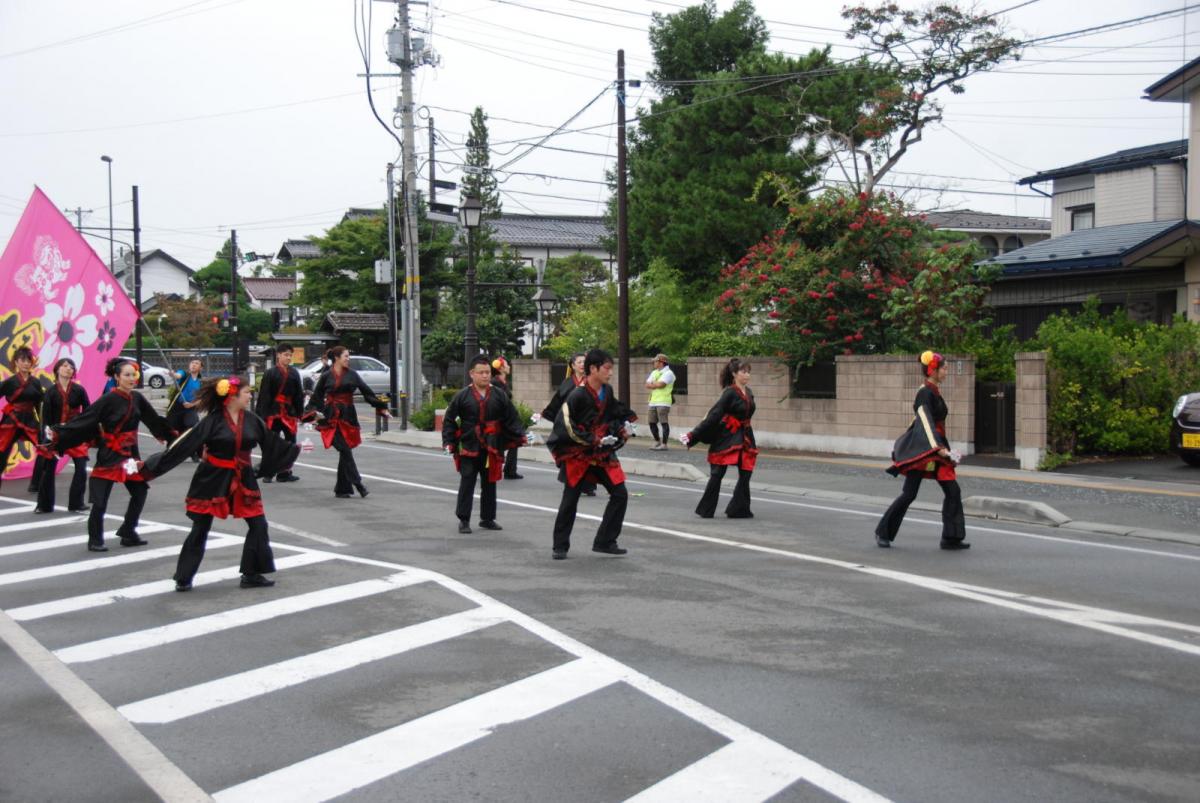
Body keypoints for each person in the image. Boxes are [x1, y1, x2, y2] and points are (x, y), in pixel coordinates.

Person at [140, 375, 300, 591]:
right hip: (212, 477)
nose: (250, 395)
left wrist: (293, 449)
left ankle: (251, 574)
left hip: (243, 477)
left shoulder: (252, 419)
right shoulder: (212, 421)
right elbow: (184, 445)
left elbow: (272, 443)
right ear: (232, 395)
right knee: (201, 527)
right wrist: (150, 467)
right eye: (246, 392)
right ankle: (184, 577)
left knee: (258, 524)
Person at [51, 357, 175, 552]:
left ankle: (128, 531)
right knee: (100, 500)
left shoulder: (137, 398)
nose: (131, 378)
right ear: (117, 377)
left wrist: (168, 435)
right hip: (110, 454)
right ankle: (95, 539)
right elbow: (87, 418)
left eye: (133, 374)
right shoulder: (108, 399)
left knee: (140, 491)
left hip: (129, 455)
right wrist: (60, 433)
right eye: (126, 375)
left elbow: (152, 419)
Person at [546, 348, 637, 560]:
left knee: (620, 493)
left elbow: (613, 415)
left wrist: (621, 430)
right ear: (593, 369)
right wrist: (591, 439)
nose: (610, 373)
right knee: (570, 498)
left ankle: (605, 540)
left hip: (601, 452)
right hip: (577, 452)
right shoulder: (576, 394)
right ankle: (560, 545)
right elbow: (565, 425)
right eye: (607, 368)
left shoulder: (608, 391)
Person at [875, 351, 970, 551]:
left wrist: (942, 448)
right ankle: (883, 532)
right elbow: (925, 422)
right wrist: (938, 448)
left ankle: (951, 538)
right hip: (925, 449)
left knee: (953, 490)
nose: (946, 372)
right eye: (944, 368)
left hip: (937, 447)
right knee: (909, 494)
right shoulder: (924, 393)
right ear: (933, 370)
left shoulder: (933, 391)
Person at [443, 355, 529, 534]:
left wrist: (521, 434)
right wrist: (449, 442)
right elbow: (450, 420)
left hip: (492, 445)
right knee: (467, 481)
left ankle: (487, 518)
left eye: (487, 372)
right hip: (469, 445)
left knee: (490, 482)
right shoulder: (462, 396)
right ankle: (464, 519)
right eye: (481, 372)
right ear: (472, 374)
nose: (485, 376)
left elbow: (511, 417)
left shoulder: (499, 395)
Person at [305, 346, 388, 498]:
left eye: (348, 356)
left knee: (346, 451)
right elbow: (317, 397)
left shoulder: (352, 375)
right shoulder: (326, 375)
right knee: (345, 450)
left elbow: (367, 392)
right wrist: (313, 413)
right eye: (346, 356)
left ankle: (342, 489)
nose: (348, 359)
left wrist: (381, 407)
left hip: (348, 416)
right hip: (331, 417)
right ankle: (359, 484)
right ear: (336, 357)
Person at [682, 358, 757, 519]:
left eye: (748, 371)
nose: (747, 375)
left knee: (746, 472)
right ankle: (706, 509)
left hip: (745, 436)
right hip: (727, 437)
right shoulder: (729, 392)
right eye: (743, 371)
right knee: (717, 474)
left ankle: (738, 508)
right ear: (734, 374)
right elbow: (714, 414)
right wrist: (693, 435)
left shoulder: (749, 392)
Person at [33, 358, 91, 513]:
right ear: (57, 369)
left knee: (81, 468)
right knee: (48, 469)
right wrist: (47, 437)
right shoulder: (51, 392)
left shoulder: (79, 390)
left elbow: (88, 411)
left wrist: (84, 428)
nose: (68, 369)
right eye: (65, 366)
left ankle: (76, 503)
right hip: (56, 434)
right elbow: (46, 419)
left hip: (75, 433)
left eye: (71, 366)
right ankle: (44, 505)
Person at [538, 352, 594, 496]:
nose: (582, 365)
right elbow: (558, 401)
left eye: (584, 362)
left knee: (588, 454)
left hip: (587, 424)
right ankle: (571, 482)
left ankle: (588, 485)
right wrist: (547, 413)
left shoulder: (592, 381)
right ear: (573, 365)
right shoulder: (568, 383)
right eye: (580, 362)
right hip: (569, 425)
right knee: (570, 454)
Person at [0, 346, 47, 494]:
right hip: (11, 420)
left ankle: (35, 484)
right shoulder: (10, 382)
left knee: (44, 449)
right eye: (23, 360)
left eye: (29, 360)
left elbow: (40, 403)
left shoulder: (35, 382)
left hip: (30, 420)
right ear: (16, 362)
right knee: (2, 453)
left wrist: (43, 424)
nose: (26, 363)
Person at [255, 345, 304, 483]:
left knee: (291, 443)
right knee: (271, 443)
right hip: (273, 413)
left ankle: (284, 473)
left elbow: (298, 395)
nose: (288, 357)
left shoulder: (294, 373)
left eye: (290, 355)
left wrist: (300, 413)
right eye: (285, 355)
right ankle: (268, 472)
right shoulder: (270, 373)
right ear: (278, 355)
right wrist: (262, 416)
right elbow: (264, 395)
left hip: (289, 412)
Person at [489, 356, 523, 480]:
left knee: (515, 442)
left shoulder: (503, 382)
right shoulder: (495, 382)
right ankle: (504, 470)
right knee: (500, 445)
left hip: (506, 419)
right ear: (502, 368)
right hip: (499, 420)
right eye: (507, 365)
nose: (509, 367)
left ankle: (510, 470)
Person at [165, 357, 203, 463]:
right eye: (192, 363)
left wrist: (192, 404)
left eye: (197, 363)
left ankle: (193, 452)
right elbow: (177, 375)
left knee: (193, 427)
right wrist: (173, 374)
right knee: (173, 430)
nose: (194, 365)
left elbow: (201, 399)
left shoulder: (201, 381)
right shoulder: (185, 375)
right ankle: (171, 452)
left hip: (190, 408)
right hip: (177, 407)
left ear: (201, 368)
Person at [644, 353, 676, 451]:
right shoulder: (654, 372)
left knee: (663, 422)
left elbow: (661, 385)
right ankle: (657, 441)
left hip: (663, 401)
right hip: (653, 401)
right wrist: (655, 384)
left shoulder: (669, 373)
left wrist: (653, 383)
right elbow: (647, 384)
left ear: (662, 362)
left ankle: (664, 444)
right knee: (651, 422)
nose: (654, 362)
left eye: (656, 361)